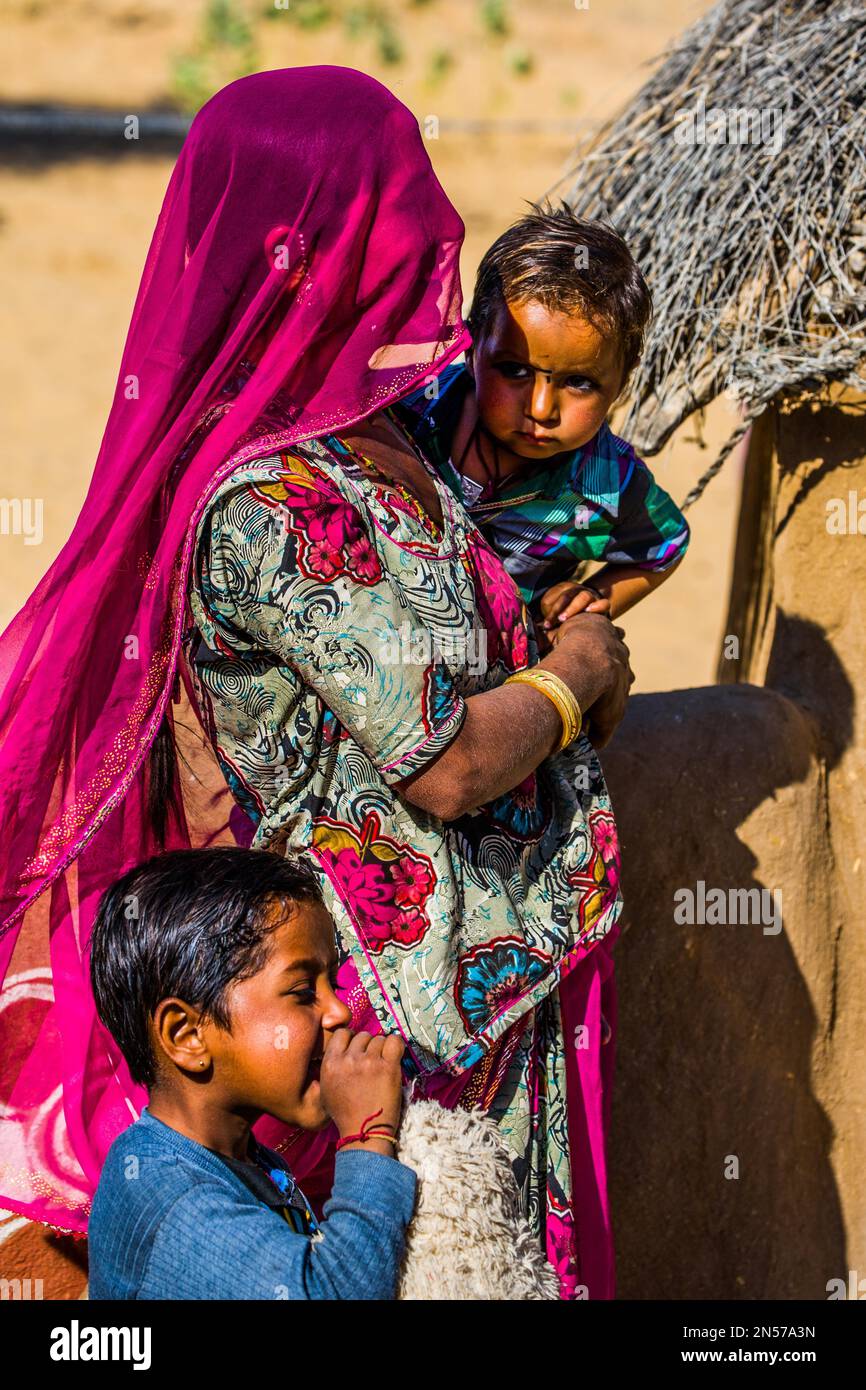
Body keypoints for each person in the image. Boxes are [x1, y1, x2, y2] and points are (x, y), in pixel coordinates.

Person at [0, 67, 631, 1300]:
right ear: (319, 245)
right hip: (380, 1025)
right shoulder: (273, 505)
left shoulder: (395, 437)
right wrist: (571, 678)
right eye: (394, 210)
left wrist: (569, 665)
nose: (429, 235)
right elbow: (445, 760)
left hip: (485, 994)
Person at [87, 848, 415, 1301]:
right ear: (187, 1036)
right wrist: (367, 1135)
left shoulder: (241, 1158)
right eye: (302, 991)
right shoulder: (170, 1202)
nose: (339, 1011)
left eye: (332, 985)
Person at [394, 204, 690, 650]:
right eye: (514, 370)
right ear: (472, 348)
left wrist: (591, 600)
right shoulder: (412, 413)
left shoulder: (609, 481)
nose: (542, 408)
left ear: (621, 383)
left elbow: (665, 548)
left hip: (497, 681)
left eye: (579, 382)